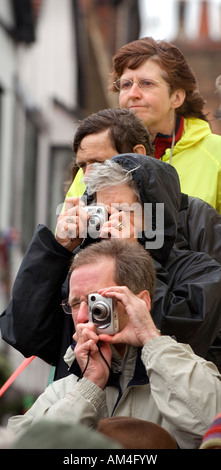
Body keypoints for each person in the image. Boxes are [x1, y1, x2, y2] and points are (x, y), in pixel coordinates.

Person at [1, 154, 221, 382]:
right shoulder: (81, 273)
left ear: (156, 216)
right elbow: (26, 334)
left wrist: (135, 260)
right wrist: (57, 252)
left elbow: (182, 339)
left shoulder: (201, 272)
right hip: (85, 405)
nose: (109, 223)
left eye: (122, 212)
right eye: (102, 212)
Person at [6, 239, 221, 450]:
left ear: (140, 302)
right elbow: (20, 444)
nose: (81, 316)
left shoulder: (184, 371)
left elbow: (211, 430)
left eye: (94, 301)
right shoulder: (68, 387)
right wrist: (90, 385)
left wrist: (151, 339)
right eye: (74, 303)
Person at [69, 37, 221, 214]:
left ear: (177, 98)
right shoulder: (95, 159)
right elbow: (66, 237)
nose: (133, 94)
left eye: (147, 83)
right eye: (126, 84)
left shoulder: (216, 154)